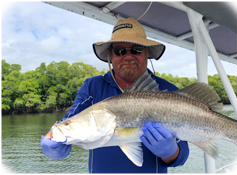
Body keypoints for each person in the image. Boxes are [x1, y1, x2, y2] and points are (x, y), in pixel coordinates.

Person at [41, 17, 189, 173]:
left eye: (136, 49)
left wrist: (170, 152)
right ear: (110, 54)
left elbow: (182, 155)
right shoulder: (92, 87)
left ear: (147, 52)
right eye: (120, 51)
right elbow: (71, 119)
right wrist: (53, 142)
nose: (128, 56)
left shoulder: (169, 91)